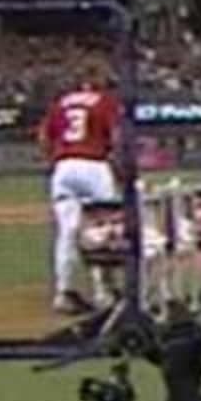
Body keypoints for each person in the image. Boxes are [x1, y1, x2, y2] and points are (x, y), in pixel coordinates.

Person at [40, 73, 123, 316]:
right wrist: (120, 167)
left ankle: (63, 292)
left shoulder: (62, 102)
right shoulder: (106, 101)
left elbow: (44, 136)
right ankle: (103, 292)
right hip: (95, 166)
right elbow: (116, 136)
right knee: (102, 230)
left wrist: (54, 161)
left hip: (64, 166)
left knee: (67, 232)